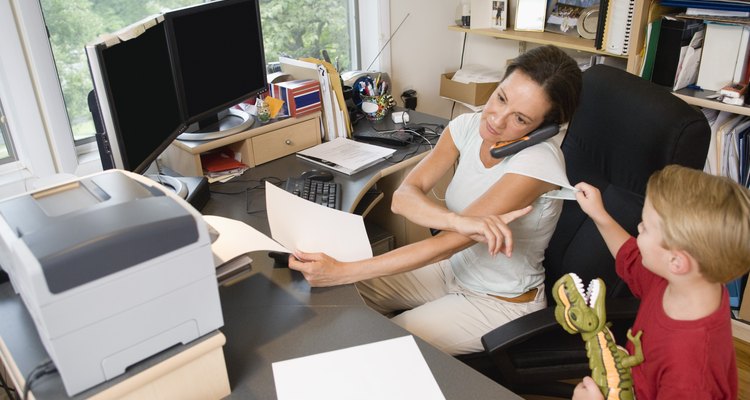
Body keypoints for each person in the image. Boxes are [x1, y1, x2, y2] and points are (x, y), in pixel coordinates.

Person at [289, 45, 582, 355]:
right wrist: (457, 221)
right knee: (341, 292)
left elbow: (445, 245)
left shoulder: (537, 163)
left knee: (382, 346)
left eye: (520, 119)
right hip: (453, 270)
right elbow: (402, 198)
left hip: (498, 301)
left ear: (546, 129)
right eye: (501, 97)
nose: (497, 118)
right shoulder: (469, 126)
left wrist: (342, 269)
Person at [573, 165, 750, 399]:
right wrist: (600, 215)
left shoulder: (691, 377)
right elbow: (631, 256)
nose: (638, 228)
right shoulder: (689, 282)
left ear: (676, 261)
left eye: (645, 227)